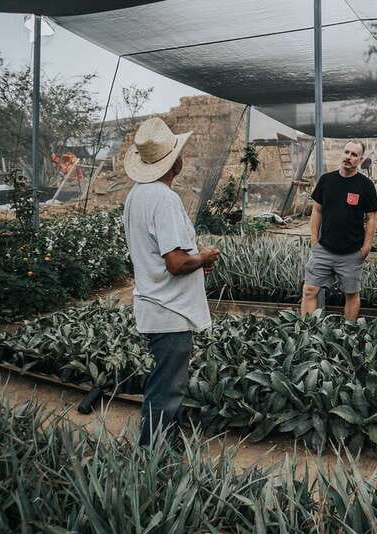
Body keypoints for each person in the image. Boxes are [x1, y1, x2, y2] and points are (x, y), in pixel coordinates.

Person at [122, 117, 221, 447]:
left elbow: (160, 254)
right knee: (167, 386)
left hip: (153, 303)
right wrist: (203, 258)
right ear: (172, 161)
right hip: (168, 310)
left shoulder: (137, 194)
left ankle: (166, 441)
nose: (182, 156)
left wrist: (195, 263)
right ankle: (156, 453)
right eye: (179, 152)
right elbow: (176, 262)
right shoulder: (164, 199)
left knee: (165, 381)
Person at [301, 140, 377, 320]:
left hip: (352, 252)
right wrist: (314, 238)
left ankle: (348, 334)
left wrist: (366, 247)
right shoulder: (326, 180)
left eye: (354, 155)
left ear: (360, 159)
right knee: (310, 290)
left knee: (351, 295)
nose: (348, 157)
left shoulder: (365, 185)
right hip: (324, 249)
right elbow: (317, 209)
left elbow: (372, 218)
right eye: (346, 152)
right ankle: (307, 333)